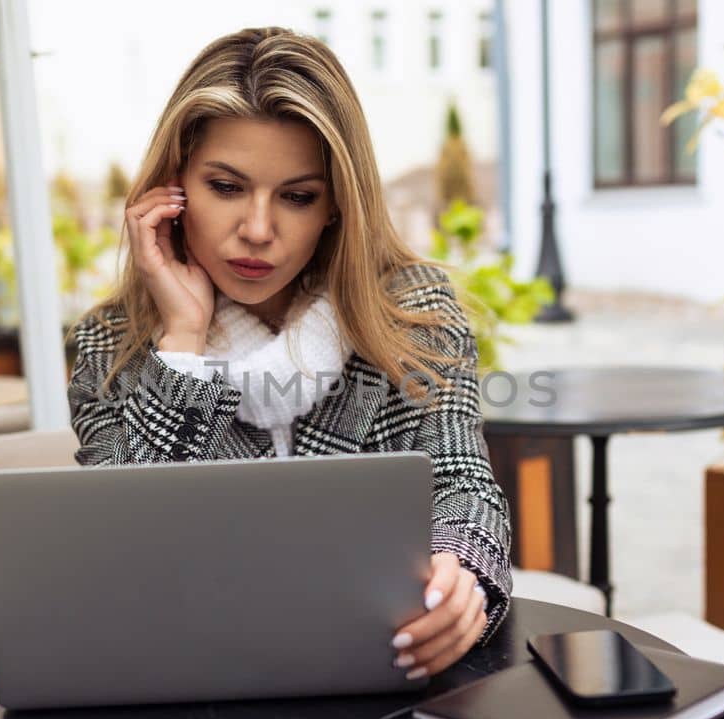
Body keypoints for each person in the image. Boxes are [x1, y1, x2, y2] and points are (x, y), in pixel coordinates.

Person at [66, 27, 512, 681]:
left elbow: (463, 486)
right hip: (191, 689)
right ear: (173, 187)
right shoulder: (112, 343)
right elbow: (118, 556)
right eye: (225, 187)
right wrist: (183, 341)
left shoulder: (415, 312)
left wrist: (464, 580)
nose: (257, 230)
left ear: (338, 204)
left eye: (297, 197)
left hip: (382, 679)